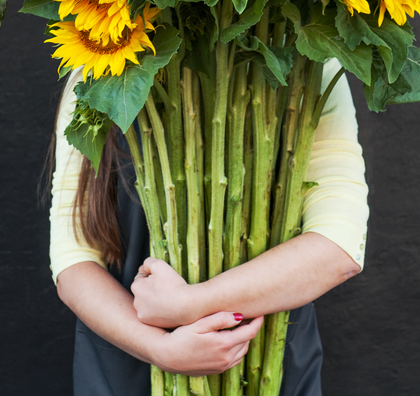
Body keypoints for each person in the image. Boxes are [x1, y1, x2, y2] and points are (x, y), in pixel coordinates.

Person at [49, 58, 369, 395]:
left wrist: (190, 304)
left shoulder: (310, 61)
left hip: (269, 364)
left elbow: (339, 246)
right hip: (127, 355)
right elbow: (73, 261)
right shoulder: (99, 62)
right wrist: (160, 348)